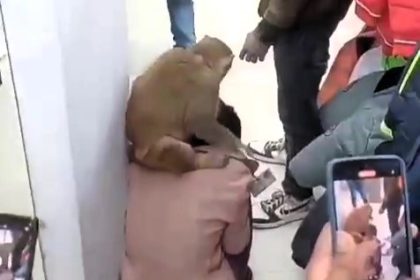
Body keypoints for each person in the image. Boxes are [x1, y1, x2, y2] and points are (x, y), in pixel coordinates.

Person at [239, 0, 353, 228]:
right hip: (311, 18)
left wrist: (264, 32)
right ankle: (293, 150)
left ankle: (298, 194)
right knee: (296, 98)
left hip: (302, 22)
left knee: (296, 108)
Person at [121, 102, 254, 280]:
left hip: (135, 276)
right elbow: (235, 247)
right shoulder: (235, 177)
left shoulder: (137, 163)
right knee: (243, 199)